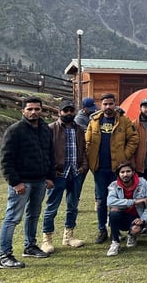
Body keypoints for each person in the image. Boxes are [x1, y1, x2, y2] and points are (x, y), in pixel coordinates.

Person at [0, 97, 55, 269]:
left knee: (34, 215)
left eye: (37, 109)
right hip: (22, 183)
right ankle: (4, 256)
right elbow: (6, 160)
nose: (34, 112)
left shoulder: (45, 128)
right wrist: (15, 183)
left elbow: (49, 154)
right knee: (12, 218)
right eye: (30, 109)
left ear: (42, 111)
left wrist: (50, 177)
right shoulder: (14, 130)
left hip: (40, 181)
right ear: (23, 111)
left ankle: (30, 246)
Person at [86, 93, 139, 244]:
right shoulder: (94, 121)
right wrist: (91, 159)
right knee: (102, 200)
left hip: (117, 169)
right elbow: (87, 141)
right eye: (105, 104)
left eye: (111, 104)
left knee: (118, 200)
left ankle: (115, 229)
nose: (108, 107)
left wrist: (124, 156)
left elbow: (134, 139)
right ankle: (102, 229)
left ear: (115, 104)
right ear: (101, 105)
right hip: (99, 167)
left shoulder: (124, 120)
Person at [41, 100, 88, 254]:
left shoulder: (80, 129)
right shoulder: (50, 129)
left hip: (75, 173)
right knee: (51, 207)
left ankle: (69, 236)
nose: (68, 113)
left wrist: (83, 167)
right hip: (58, 174)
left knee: (73, 206)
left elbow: (84, 150)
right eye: (65, 111)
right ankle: (46, 239)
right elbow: (45, 152)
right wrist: (50, 171)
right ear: (59, 112)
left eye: (71, 111)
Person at [106, 160, 147, 256]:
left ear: (133, 172)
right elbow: (110, 202)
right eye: (122, 172)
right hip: (122, 216)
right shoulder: (114, 185)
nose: (125, 174)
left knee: (135, 229)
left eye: (128, 171)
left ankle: (131, 235)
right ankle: (115, 242)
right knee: (114, 210)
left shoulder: (143, 183)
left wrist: (143, 219)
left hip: (137, 217)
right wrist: (133, 201)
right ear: (118, 174)